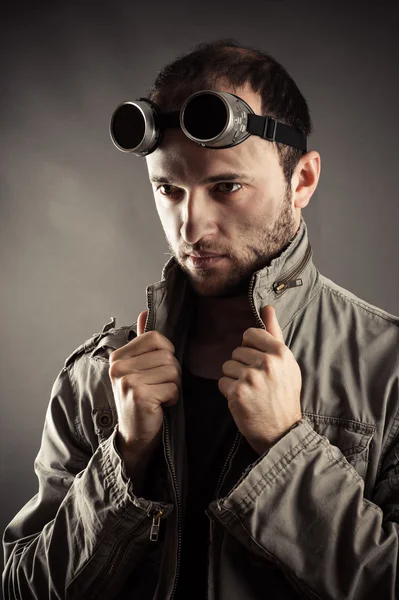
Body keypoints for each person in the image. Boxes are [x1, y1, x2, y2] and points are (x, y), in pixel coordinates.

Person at [3, 38, 399, 600]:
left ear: (302, 181)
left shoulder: (389, 372)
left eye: (226, 187)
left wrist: (288, 448)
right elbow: (21, 589)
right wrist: (126, 456)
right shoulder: (96, 378)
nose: (191, 227)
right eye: (169, 189)